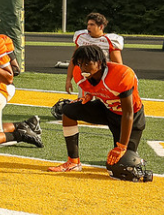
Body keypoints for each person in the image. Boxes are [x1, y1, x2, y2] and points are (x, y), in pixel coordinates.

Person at [49, 45, 147, 174]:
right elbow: (96, 88)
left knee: (125, 164)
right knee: (68, 110)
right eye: (80, 64)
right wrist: (88, 96)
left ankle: (129, 151)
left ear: (99, 62)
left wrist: (122, 146)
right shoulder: (80, 73)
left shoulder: (121, 74)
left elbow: (128, 112)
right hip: (107, 109)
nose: (83, 68)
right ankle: (73, 162)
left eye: (87, 64)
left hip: (131, 117)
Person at [65, 13, 124, 95]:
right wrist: (68, 79)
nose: (88, 27)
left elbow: (118, 66)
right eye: (88, 24)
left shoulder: (110, 41)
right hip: (85, 77)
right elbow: (74, 59)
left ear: (101, 27)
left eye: (92, 24)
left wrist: (118, 83)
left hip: (103, 77)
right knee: (84, 103)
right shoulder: (82, 37)